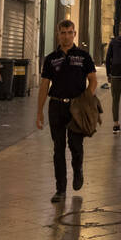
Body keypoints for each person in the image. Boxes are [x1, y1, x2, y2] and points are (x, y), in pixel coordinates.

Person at [37, 19, 98, 203]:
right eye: (63, 33)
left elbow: (93, 81)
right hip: (56, 106)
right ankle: (60, 189)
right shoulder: (51, 59)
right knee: (58, 149)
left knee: (75, 146)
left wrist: (85, 99)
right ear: (58, 34)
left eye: (69, 32)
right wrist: (39, 111)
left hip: (76, 108)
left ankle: (78, 169)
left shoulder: (84, 57)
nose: (66, 36)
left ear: (74, 34)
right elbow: (44, 86)